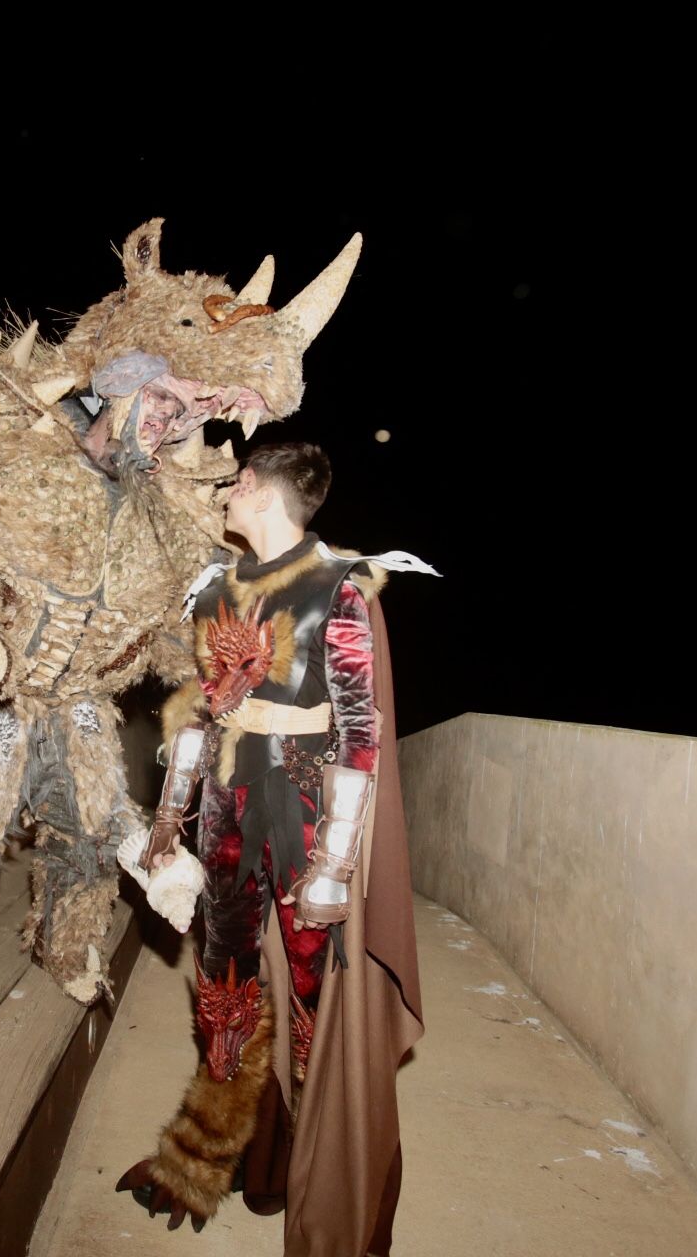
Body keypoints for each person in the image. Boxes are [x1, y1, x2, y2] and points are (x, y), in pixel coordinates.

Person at [117, 441, 437, 1255]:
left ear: (259, 489)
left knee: (313, 1011)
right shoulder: (217, 588)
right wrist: (167, 823)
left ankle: (323, 1182)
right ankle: (209, 1161)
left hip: (304, 820)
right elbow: (200, 715)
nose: (225, 493)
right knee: (224, 995)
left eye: (235, 483)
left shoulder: (340, 586)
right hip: (229, 816)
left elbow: (361, 734)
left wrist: (334, 865)